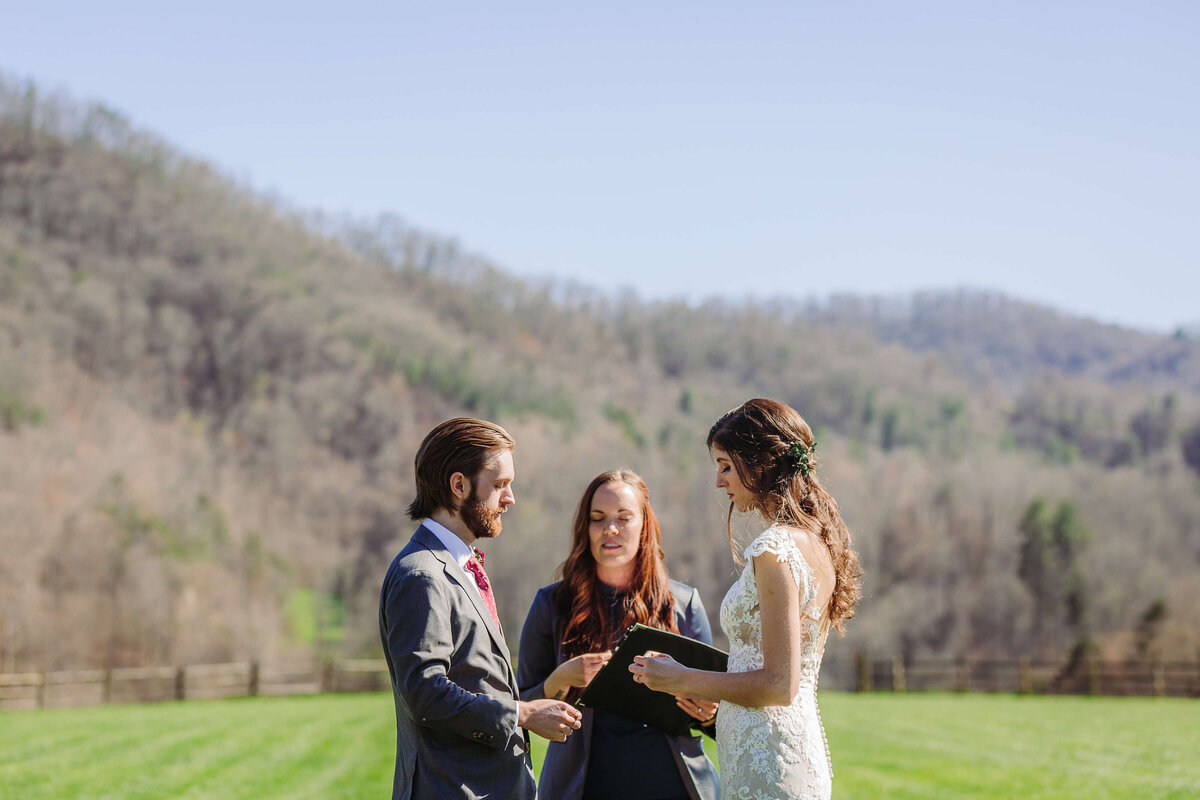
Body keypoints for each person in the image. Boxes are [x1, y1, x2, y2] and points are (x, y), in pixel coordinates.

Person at [630, 399, 863, 800]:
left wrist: (681, 678)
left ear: (759, 463)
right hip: (775, 751)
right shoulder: (814, 542)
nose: (719, 482)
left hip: (770, 762)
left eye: (725, 465)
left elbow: (778, 683)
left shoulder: (775, 549)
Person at [379, 417, 582, 800]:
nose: (510, 498)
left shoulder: (458, 565)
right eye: (500, 484)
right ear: (459, 486)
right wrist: (521, 714)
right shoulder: (421, 574)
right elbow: (425, 692)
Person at [518, 468, 721, 800]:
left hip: (673, 786)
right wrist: (561, 677)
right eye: (598, 518)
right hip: (582, 788)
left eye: (623, 518)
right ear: (586, 527)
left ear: (644, 526)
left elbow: (714, 714)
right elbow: (520, 706)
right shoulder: (551, 604)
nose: (609, 528)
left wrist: (710, 713)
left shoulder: (684, 603)